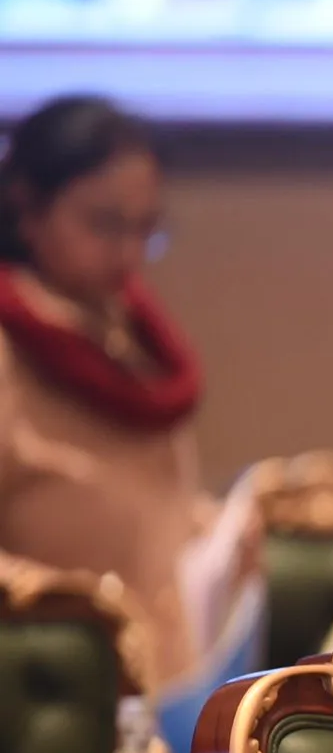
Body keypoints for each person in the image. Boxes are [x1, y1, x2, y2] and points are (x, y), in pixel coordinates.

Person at [0, 94, 219, 684]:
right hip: (49, 685)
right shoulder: (10, 347)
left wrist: (216, 534)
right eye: (103, 223)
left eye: (145, 228)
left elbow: (146, 504)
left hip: (166, 671)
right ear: (26, 207)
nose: (128, 253)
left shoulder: (125, 331)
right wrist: (64, 605)